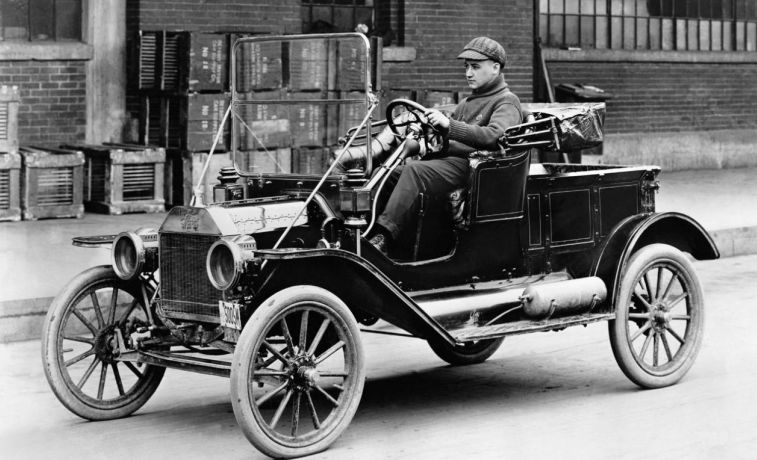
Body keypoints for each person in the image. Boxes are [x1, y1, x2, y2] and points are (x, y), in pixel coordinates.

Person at [368, 36, 523, 254]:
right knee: (386, 172)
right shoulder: (466, 103)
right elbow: (449, 141)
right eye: (466, 66)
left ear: (495, 68)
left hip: (476, 170)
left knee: (414, 171)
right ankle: (366, 229)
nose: (468, 73)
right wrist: (429, 138)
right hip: (452, 164)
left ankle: (383, 238)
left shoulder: (507, 101)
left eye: (475, 67)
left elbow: (495, 137)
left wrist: (449, 125)